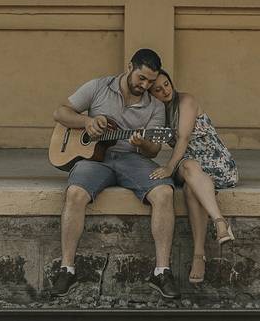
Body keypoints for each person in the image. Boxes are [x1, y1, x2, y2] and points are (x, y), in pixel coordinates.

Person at [50, 49, 181, 299]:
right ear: (129, 67)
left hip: (131, 159)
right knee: (75, 193)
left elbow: (154, 149)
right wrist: (86, 123)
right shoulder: (98, 86)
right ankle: (67, 269)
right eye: (141, 78)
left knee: (164, 191)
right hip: (94, 159)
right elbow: (60, 112)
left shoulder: (155, 106)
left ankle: (162, 271)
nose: (146, 85)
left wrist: (142, 143)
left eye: (151, 81)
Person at [149, 69, 239, 284]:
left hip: (217, 163)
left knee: (191, 188)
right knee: (190, 168)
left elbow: (184, 138)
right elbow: (152, 145)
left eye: (166, 84)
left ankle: (200, 253)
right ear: (151, 94)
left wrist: (169, 167)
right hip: (188, 164)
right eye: (158, 90)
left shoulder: (186, 101)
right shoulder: (157, 113)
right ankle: (220, 225)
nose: (165, 91)